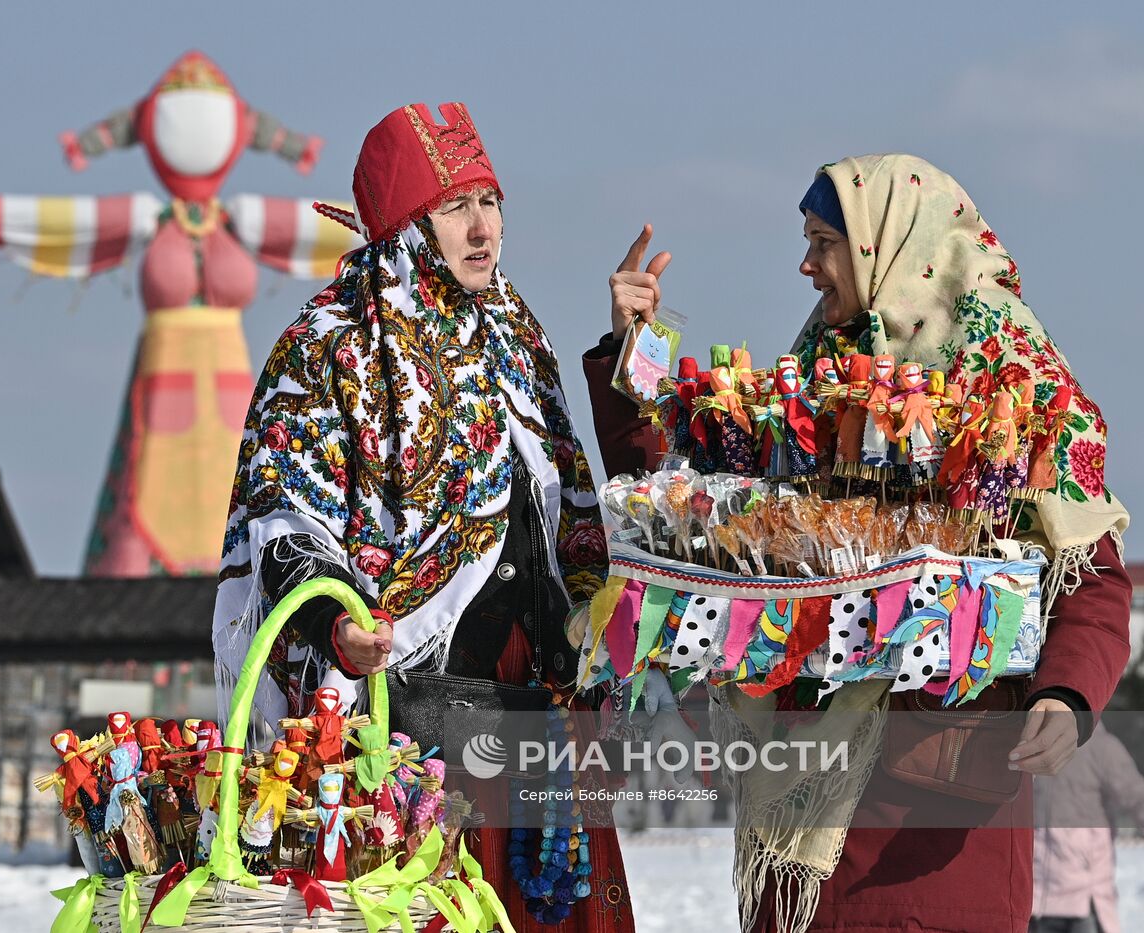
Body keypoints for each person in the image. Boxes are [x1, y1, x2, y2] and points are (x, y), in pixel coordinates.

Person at [584, 153, 1133, 932]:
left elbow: (1092, 574)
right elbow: (693, 520)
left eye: (822, 242)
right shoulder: (816, 377)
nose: (805, 266)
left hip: (933, 835)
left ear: (887, 246)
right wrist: (633, 350)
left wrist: (1068, 693)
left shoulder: (1015, 389)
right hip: (796, 820)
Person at [213, 102, 631, 931]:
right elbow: (284, 511)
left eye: (491, 202)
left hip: (542, 717)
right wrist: (336, 619)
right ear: (406, 227)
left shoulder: (518, 333)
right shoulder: (331, 344)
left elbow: (568, 495)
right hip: (409, 722)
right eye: (454, 208)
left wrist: (632, 351)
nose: (483, 229)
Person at [1031, 721, 1144, 933]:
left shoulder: (1101, 747)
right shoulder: (1029, 743)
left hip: (1084, 899)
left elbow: (1136, 797)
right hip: (1033, 899)